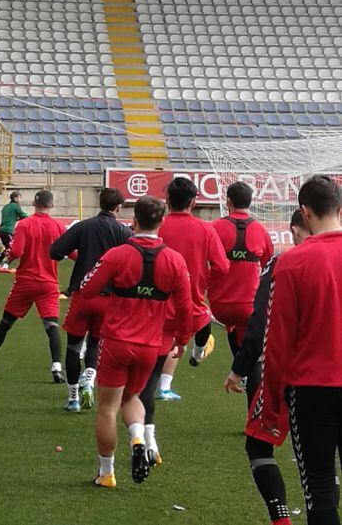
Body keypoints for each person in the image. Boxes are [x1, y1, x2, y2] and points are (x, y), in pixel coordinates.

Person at [77, 196, 192, 488]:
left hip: (116, 341)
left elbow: (87, 288)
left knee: (107, 408)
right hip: (150, 346)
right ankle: (138, 437)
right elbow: (186, 307)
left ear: (134, 221)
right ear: (161, 221)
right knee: (132, 397)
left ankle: (106, 473)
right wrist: (181, 339)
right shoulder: (175, 260)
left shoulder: (118, 254)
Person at [255, 175, 342, 525]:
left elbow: (276, 342)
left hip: (312, 390)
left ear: (304, 213)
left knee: (320, 488)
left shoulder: (292, 262)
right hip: (316, 386)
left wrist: (271, 400)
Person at [132, 178, 230, 465]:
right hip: (190, 307)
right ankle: (198, 352)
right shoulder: (205, 229)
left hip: (151, 309)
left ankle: (147, 438)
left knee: (143, 383)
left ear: (167, 201)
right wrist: (202, 279)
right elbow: (222, 267)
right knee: (200, 326)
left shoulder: (158, 226)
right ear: (193, 202)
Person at [223, 209, 309, 525]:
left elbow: (260, 323)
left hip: (288, 374)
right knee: (321, 462)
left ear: (301, 227)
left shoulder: (283, 264)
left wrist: (239, 368)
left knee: (259, 445)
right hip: (332, 373)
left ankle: (281, 518)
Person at [50, 187, 132, 412]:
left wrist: (80, 252)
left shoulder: (83, 226)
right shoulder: (124, 233)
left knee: (74, 346)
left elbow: (55, 251)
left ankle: (73, 397)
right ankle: (90, 377)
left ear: (100, 203)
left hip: (83, 295)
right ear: (118, 207)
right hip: (109, 299)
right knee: (96, 342)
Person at [0, 190, 67, 383]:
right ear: (51, 205)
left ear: (34, 203)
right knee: (52, 326)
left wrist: (8, 259)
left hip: (26, 282)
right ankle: (56, 367)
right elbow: (70, 252)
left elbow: (17, 250)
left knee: (5, 323)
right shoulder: (58, 227)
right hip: (48, 284)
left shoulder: (25, 224)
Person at [208, 181, 274, 357]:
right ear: (250, 202)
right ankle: (244, 371)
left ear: (228, 201)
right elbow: (269, 267)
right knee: (250, 349)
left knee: (235, 331)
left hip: (218, 305)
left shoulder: (213, 228)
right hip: (248, 305)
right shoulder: (261, 230)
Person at [0, 190, 28, 272]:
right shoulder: (16, 206)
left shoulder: (5, 207)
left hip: (1, 230)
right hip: (8, 231)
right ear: (16, 198)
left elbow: (11, 218)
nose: (20, 200)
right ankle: (5, 266)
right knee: (13, 249)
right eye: (20, 197)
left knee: (7, 248)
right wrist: (27, 215)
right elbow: (23, 215)